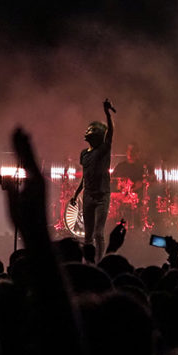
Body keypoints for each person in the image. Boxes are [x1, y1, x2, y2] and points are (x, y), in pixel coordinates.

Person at [69, 99, 115, 261]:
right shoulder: (84, 154)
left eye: (91, 129)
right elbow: (85, 176)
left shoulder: (103, 150)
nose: (88, 131)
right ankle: (89, 262)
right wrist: (76, 195)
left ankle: (100, 262)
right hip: (88, 195)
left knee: (98, 233)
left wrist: (107, 114)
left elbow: (110, 135)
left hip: (102, 196)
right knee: (88, 235)